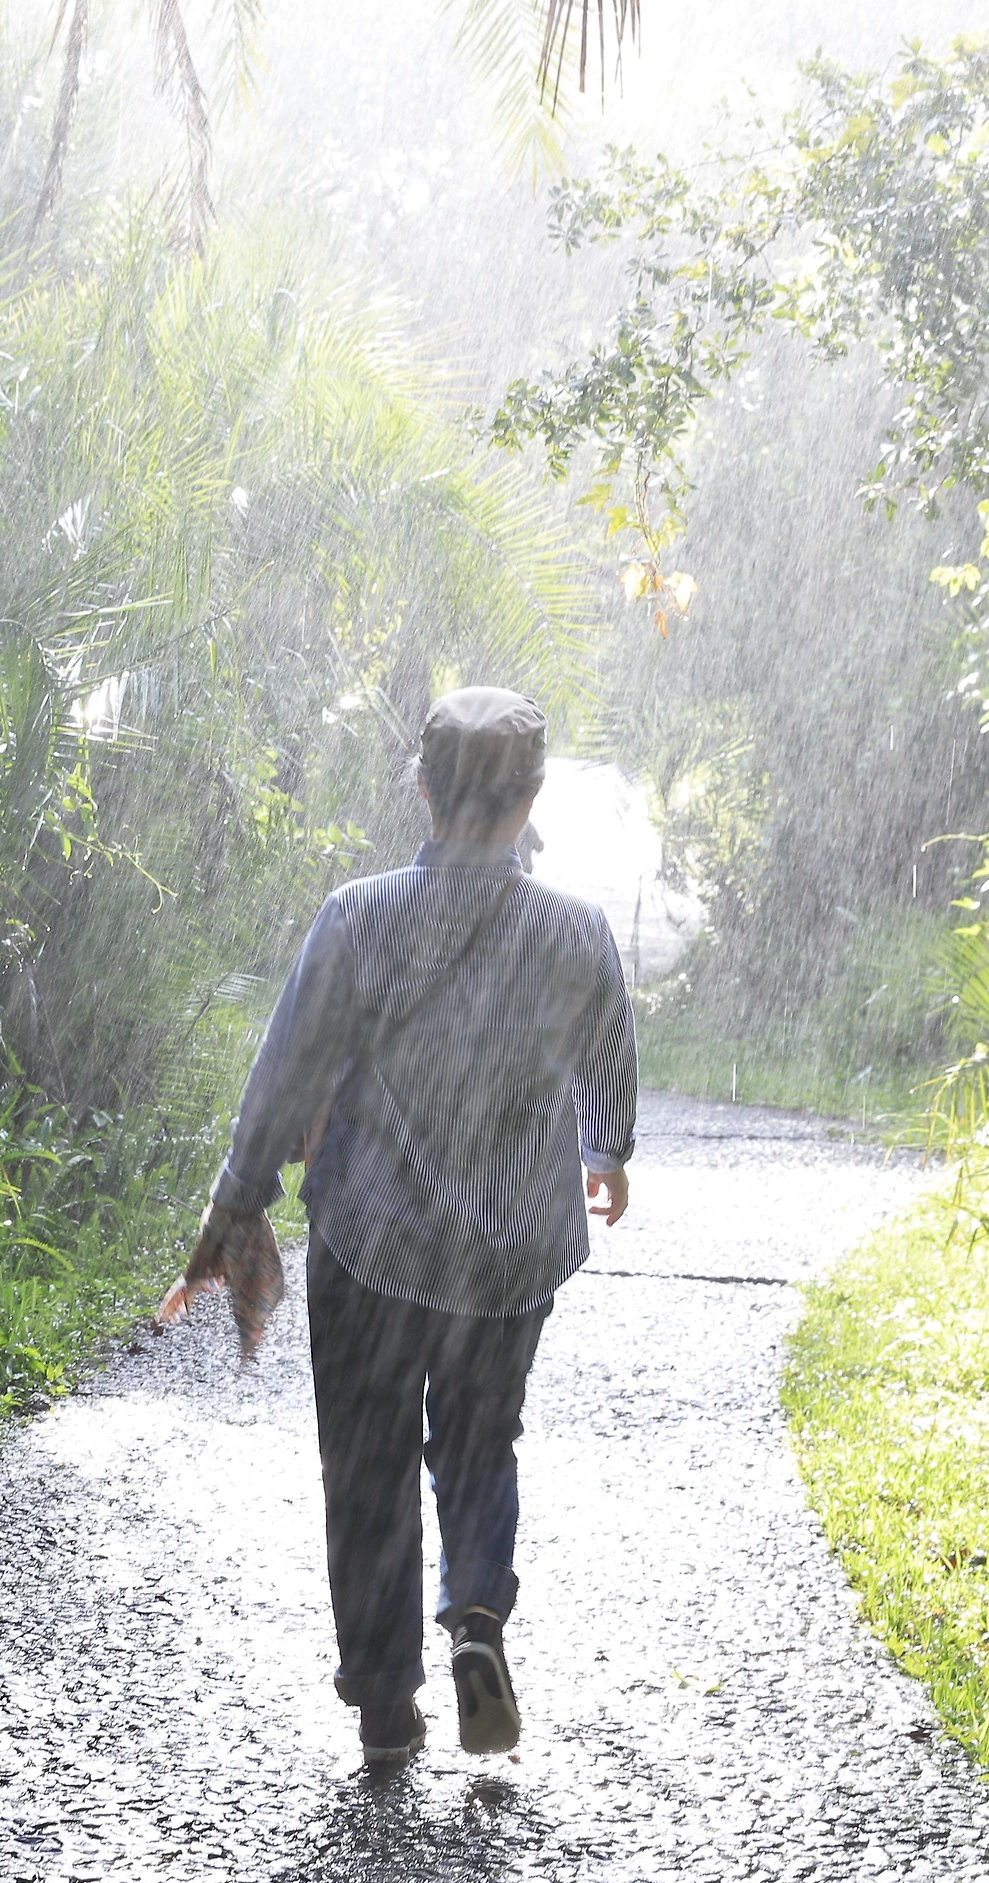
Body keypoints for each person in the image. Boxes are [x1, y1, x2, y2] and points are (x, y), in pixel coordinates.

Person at [186, 685, 637, 1768]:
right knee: (479, 1441)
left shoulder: (357, 915)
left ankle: (386, 1701)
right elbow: (608, 1060)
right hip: (508, 1249)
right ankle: (475, 1615)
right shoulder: (574, 928)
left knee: (367, 1460)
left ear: (423, 789)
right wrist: (605, 1152)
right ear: (530, 798)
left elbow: (287, 1065)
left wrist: (240, 1191)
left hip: (372, 1239)